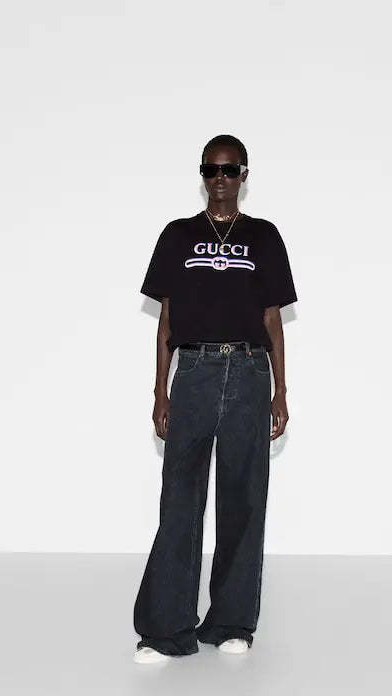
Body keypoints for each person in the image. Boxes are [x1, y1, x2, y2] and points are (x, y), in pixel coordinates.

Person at [133, 134, 298, 663]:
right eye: (210, 170)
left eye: (229, 170)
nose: (219, 179)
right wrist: (160, 392)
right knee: (180, 500)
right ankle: (166, 629)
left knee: (243, 498)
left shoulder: (264, 236)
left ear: (244, 175)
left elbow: (272, 319)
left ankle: (231, 621)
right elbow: (166, 321)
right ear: (201, 175)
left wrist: (280, 390)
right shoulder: (178, 235)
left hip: (249, 372)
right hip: (195, 372)